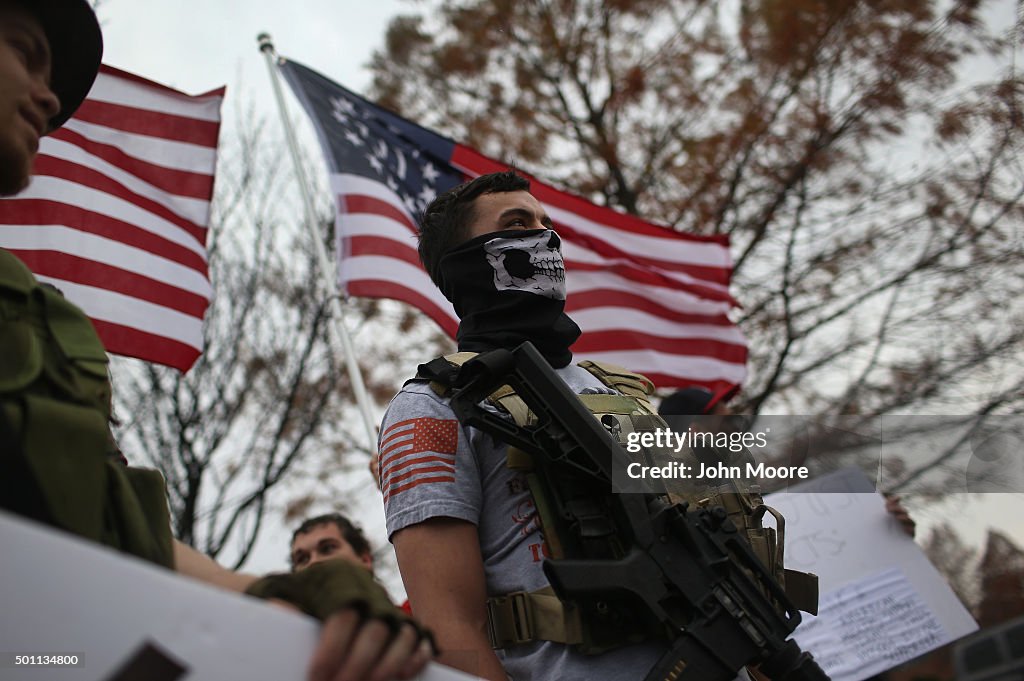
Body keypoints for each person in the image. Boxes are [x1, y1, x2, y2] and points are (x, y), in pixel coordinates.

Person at [0, 4, 431, 680]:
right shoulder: (428, 414)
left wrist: (288, 595)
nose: (51, 98)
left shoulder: (43, 322)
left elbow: (129, 536)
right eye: (24, 51)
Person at [379, 171, 755, 680]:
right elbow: (448, 625)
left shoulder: (628, 394)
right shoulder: (432, 407)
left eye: (546, 223)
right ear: (465, 265)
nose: (546, 237)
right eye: (518, 224)